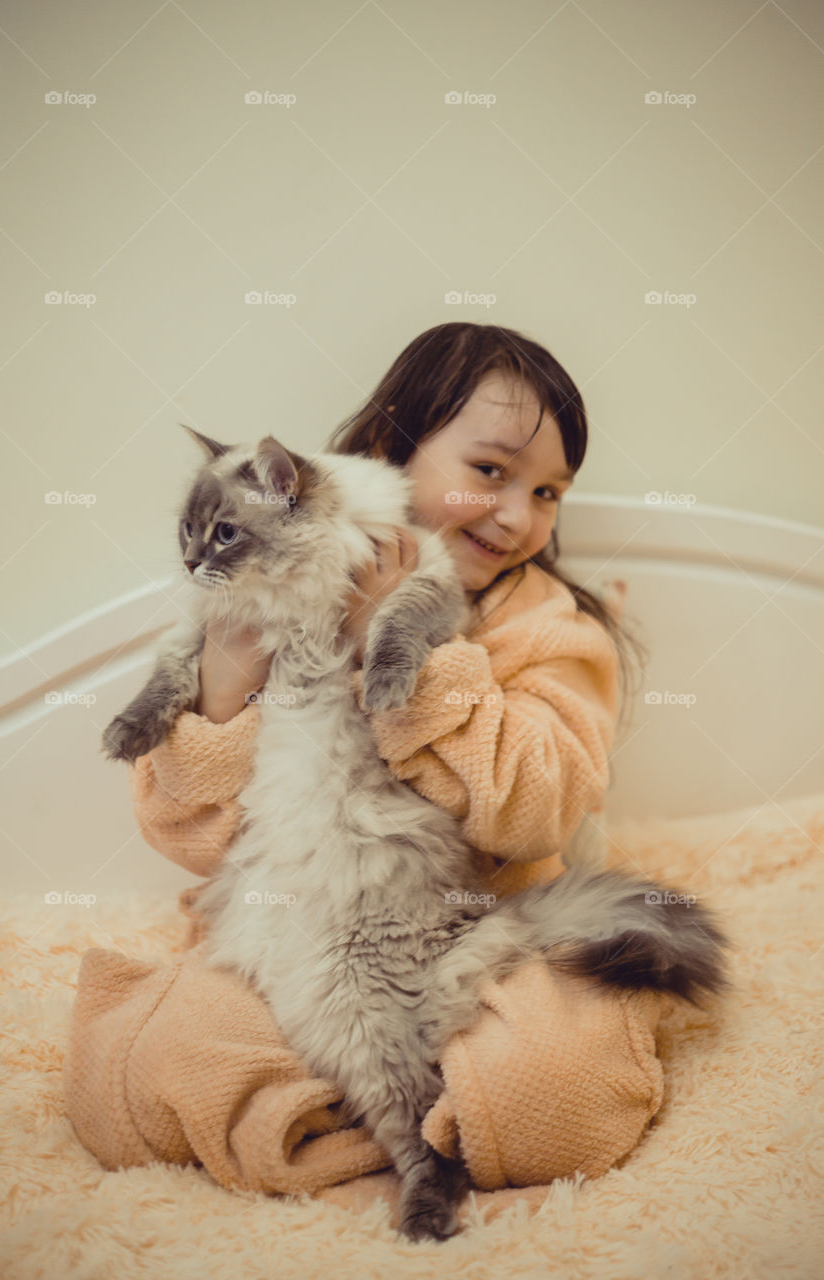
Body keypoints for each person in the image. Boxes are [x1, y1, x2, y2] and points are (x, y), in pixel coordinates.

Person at [64, 323, 666, 1209]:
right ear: (392, 448)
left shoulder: (557, 630)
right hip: (296, 928)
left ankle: (375, 1103)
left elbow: (534, 807)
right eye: (490, 472)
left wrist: (407, 657)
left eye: (548, 492)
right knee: (126, 1078)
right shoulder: (269, 575)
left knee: (553, 1090)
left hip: (477, 928)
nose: (517, 514)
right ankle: (391, 1100)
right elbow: (184, 835)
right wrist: (227, 680)